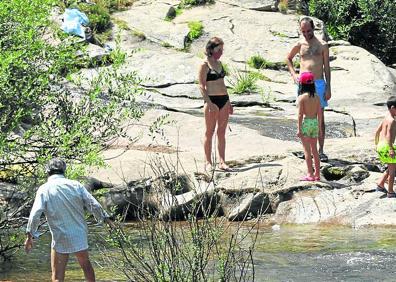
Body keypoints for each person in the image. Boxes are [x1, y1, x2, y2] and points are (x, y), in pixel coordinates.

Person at [25, 158, 114, 282]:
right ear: (64, 170)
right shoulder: (76, 185)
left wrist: (30, 235)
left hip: (60, 236)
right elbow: (93, 204)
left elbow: (35, 214)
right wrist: (106, 219)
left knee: (57, 277)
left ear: (47, 171)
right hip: (79, 234)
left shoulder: (44, 189)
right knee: (86, 267)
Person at [286, 16, 331, 162]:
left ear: (313, 28)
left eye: (308, 30)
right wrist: (294, 75)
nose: (306, 33)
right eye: (303, 31)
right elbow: (288, 58)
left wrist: (328, 86)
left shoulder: (322, 45)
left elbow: (327, 68)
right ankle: (307, 149)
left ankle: (321, 150)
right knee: (304, 115)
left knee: (319, 117)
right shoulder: (300, 44)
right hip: (303, 84)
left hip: (318, 83)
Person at [198, 37, 233, 171]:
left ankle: (222, 161)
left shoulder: (219, 64)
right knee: (209, 132)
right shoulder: (204, 65)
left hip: (223, 99)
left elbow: (223, 84)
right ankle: (208, 162)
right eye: (219, 50)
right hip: (211, 100)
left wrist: (229, 102)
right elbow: (201, 86)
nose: (221, 53)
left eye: (222, 50)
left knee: (221, 132)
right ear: (211, 49)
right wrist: (209, 103)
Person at [297, 72, 322, 181]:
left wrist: (299, 128)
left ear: (302, 85)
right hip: (315, 123)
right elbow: (320, 114)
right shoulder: (317, 97)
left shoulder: (302, 98)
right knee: (315, 151)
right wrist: (320, 128)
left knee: (307, 151)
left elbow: (300, 114)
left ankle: (310, 175)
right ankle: (317, 175)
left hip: (306, 123)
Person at [374, 96, 396, 198]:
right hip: (388, 147)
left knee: (391, 166)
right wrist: (391, 149)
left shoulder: (386, 117)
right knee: (392, 171)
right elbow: (389, 136)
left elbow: (377, 130)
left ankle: (380, 184)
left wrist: (377, 142)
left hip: (381, 145)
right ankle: (391, 192)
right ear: (392, 108)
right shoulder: (392, 121)